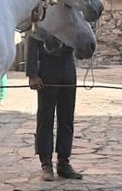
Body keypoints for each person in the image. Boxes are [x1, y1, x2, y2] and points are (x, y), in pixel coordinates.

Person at [27, 30, 82, 180]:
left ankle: (64, 162)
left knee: (67, 116)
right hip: (47, 66)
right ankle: (46, 164)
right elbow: (32, 38)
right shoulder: (45, 11)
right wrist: (32, 74)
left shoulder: (71, 12)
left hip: (68, 65)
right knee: (46, 117)